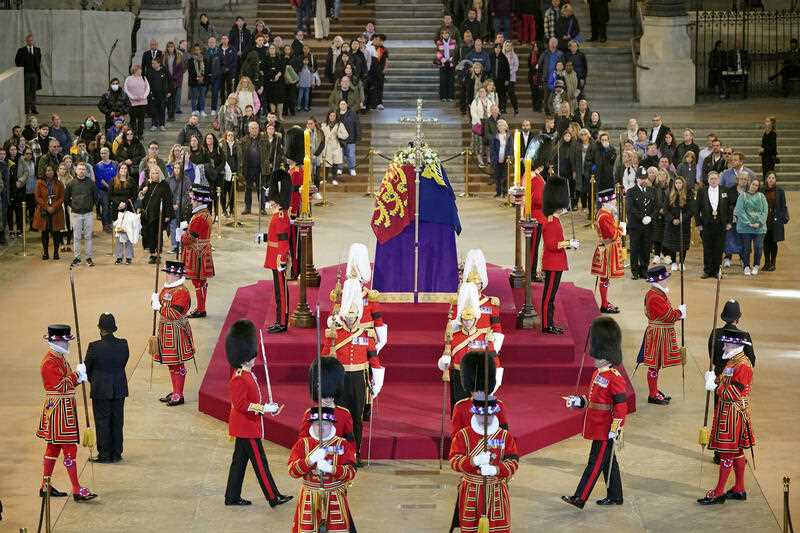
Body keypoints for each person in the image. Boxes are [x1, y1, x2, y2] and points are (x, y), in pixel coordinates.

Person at [223, 319, 292, 508]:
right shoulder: (239, 378)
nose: (255, 359)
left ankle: (232, 496)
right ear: (245, 357)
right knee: (261, 464)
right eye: (253, 357)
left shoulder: (247, 374)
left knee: (239, 463)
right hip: (246, 428)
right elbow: (241, 405)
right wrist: (264, 409)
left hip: (246, 426)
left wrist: (267, 406)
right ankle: (273, 496)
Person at [448, 350, 518, 532]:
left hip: (495, 480)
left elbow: (505, 442)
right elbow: (456, 445)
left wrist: (498, 469)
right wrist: (473, 461)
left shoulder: (497, 406)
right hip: (471, 480)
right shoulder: (461, 408)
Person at [562, 316, 627, 508]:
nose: (593, 358)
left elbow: (621, 407)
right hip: (596, 424)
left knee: (595, 465)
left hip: (605, 429)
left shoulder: (615, 378)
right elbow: (594, 401)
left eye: (597, 356)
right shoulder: (597, 374)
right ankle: (615, 496)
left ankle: (580, 497)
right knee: (608, 463)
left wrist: (616, 428)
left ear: (606, 355)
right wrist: (578, 401)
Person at [322, 278, 386, 465]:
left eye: (353, 316)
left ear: (358, 316)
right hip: (340, 380)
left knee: (356, 418)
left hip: (359, 380)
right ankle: (339, 452)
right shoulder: (334, 335)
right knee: (340, 416)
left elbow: (374, 360)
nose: (350, 319)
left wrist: (376, 381)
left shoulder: (367, 335)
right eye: (347, 316)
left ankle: (355, 453)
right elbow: (324, 359)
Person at [36, 324, 98, 501]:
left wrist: (79, 377)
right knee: (69, 447)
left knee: (53, 447)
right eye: (65, 341)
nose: (68, 344)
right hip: (59, 410)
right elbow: (61, 386)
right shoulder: (49, 362)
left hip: (62, 408)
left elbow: (68, 382)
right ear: (57, 342)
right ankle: (76, 488)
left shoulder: (60, 358)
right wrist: (76, 375)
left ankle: (45, 485)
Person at [698, 330, 755, 505]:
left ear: (736, 345)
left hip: (733, 413)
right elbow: (727, 379)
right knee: (736, 451)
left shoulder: (743, 365)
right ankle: (739, 488)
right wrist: (716, 379)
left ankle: (719, 492)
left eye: (727, 344)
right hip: (728, 411)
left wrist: (714, 387)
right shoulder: (734, 360)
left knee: (727, 453)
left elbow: (734, 392)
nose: (724, 346)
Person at [288, 405, 357, 531]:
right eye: (316, 423)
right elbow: (292, 471)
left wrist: (332, 469)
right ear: (311, 425)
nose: (320, 427)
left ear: (331, 424)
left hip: (335, 497)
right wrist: (309, 460)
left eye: (324, 423)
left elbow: (351, 473)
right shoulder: (302, 444)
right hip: (309, 498)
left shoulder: (342, 444)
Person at [438, 282, 502, 409]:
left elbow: (493, 357)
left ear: (476, 320)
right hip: (458, 374)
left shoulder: (485, 337)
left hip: (477, 376)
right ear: (461, 320)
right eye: (465, 320)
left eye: (470, 320)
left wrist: (496, 373)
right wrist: (445, 363)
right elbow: (447, 354)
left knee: (476, 409)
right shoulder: (454, 336)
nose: (467, 323)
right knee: (459, 407)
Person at [84, 313, 129, 463]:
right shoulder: (123, 344)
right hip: (119, 388)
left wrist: (94, 380)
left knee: (102, 422)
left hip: (100, 389)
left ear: (100, 328)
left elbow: (87, 369)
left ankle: (104, 454)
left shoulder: (94, 347)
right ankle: (116, 453)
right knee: (117, 421)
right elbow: (123, 362)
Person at [150, 260, 195, 406]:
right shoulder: (167, 288)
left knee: (177, 363)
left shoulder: (182, 292)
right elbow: (164, 305)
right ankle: (175, 390)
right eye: (167, 272)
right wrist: (156, 301)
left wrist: (159, 307)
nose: (167, 275)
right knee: (171, 363)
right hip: (166, 329)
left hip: (176, 331)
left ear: (177, 275)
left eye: (170, 273)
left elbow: (174, 313)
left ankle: (179, 394)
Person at [641, 265, 686, 405]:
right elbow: (669, 316)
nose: (666, 281)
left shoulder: (656, 293)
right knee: (654, 365)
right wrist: (679, 312)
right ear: (659, 280)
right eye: (665, 279)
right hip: (658, 335)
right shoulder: (655, 296)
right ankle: (652, 394)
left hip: (659, 333)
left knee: (656, 364)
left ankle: (654, 391)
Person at [541, 177, 579, 334]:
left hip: (556, 263)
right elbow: (552, 245)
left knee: (552, 296)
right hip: (552, 263)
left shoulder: (555, 220)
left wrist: (569, 244)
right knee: (548, 296)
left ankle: (549, 323)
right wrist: (569, 243)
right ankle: (546, 325)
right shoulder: (550, 222)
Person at [263, 170, 292, 333]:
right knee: (277, 291)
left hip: (277, 259)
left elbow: (283, 240)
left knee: (280, 291)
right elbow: (276, 236)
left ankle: (281, 322)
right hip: (274, 256)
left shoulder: (281, 215)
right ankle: (279, 320)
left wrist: (282, 259)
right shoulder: (278, 214)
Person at [179, 185, 215, 317]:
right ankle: (201, 307)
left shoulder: (199, 217)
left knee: (197, 281)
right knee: (201, 281)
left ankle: (201, 309)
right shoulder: (204, 214)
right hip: (202, 250)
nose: (191, 201)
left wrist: (181, 236)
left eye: (193, 199)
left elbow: (189, 238)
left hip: (197, 252)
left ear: (199, 200)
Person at [591, 191, 625, 313]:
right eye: (614, 201)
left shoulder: (603, 213)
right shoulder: (605, 216)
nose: (615, 203)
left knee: (605, 279)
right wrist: (620, 229)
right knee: (605, 278)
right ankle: (604, 304)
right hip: (607, 250)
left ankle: (605, 301)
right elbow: (612, 235)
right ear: (608, 202)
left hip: (605, 248)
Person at [696, 171, 732, 278]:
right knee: (707, 248)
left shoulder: (725, 191)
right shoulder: (701, 191)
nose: (713, 180)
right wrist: (698, 223)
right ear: (708, 180)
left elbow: (730, 208)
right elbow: (696, 208)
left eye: (715, 178)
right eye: (711, 179)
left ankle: (717, 270)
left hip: (721, 224)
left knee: (718, 248)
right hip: (706, 224)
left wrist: (729, 222)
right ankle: (707, 270)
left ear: (719, 180)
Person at [138, 165, 175, 263]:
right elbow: (140, 197)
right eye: (153, 173)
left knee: (158, 235)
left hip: (159, 214)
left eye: (157, 173)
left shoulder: (164, 184)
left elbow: (168, 200)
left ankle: (158, 254)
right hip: (148, 214)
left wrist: (168, 215)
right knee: (149, 234)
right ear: (150, 174)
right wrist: (143, 192)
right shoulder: (147, 183)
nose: (155, 175)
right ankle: (152, 254)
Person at [63, 162, 95, 267]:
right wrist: (74, 206)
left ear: (86, 171)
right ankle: (77, 258)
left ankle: (88, 258)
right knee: (76, 237)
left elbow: (96, 197)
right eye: (79, 169)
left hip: (88, 213)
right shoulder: (71, 183)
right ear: (76, 171)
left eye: (83, 169)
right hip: (76, 214)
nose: (81, 171)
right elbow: (66, 198)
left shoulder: (90, 183)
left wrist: (90, 206)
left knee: (88, 237)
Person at [625, 168, 655, 280]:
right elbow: (630, 208)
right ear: (637, 179)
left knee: (646, 248)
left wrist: (650, 217)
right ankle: (635, 270)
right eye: (641, 178)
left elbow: (656, 206)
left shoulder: (652, 191)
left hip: (648, 225)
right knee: (635, 248)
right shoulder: (631, 192)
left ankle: (644, 269)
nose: (643, 180)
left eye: (645, 178)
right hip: (636, 225)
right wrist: (642, 217)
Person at [735, 177, 768, 276]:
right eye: (753, 184)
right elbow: (739, 211)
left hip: (759, 228)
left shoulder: (761, 196)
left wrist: (759, 222)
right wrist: (748, 223)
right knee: (746, 248)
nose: (754, 186)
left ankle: (756, 265)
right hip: (745, 227)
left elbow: (765, 211)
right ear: (749, 184)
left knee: (758, 247)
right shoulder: (742, 196)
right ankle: (746, 266)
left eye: (757, 185)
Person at [33, 165, 65, 260]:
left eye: (50, 170)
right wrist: (47, 207)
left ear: (54, 171)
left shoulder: (59, 183)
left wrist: (54, 207)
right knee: (45, 232)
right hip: (43, 210)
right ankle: (45, 253)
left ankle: (56, 253)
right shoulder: (39, 182)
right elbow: (37, 197)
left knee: (56, 232)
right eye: (47, 170)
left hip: (56, 211)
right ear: (44, 172)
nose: (49, 172)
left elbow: (62, 197)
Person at [662, 176, 693, 272]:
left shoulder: (689, 195)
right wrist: (672, 219)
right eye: (676, 183)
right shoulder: (670, 195)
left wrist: (681, 218)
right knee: (672, 245)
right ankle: (674, 262)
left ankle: (682, 262)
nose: (678, 185)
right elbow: (665, 209)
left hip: (683, 224)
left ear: (683, 184)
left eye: (680, 183)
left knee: (683, 244)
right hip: (672, 225)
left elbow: (691, 210)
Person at [237, 121, 268, 215]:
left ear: (258, 129)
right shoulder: (243, 140)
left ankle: (262, 208)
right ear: (249, 129)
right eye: (252, 128)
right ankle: (247, 208)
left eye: (256, 128)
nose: (254, 130)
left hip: (260, 168)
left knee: (261, 189)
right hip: (248, 168)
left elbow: (269, 151)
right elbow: (240, 154)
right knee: (248, 188)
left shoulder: (264, 139)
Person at [763, 172, 788, 271]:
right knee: (765, 242)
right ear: (766, 179)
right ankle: (766, 263)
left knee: (773, 242)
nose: (771, 179)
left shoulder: (780, 191)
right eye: (769, 177)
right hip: (764, 220)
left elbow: (783, 206)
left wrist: (781, 217)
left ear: (775, 179)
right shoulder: (762, 190)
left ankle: (773, 263)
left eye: (773, 178)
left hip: (775, 221)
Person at [15, 34, 42, 114]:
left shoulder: (37, 50)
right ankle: (26, 109)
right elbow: (17, 62)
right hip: (26, 74)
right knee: (26, 92)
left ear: (33, 41)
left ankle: (33, 108)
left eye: (31, 40)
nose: (30, 42)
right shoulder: (21, 50)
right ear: (26, 41)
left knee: (33, 92)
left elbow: (38, 61)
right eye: (29, 40)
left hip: (34, 74)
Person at [123, 65, 150, 139]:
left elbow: (147, 88)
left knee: (141, 120)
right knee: (133, 120)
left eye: (141, 69)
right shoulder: (128, 79)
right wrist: (132, 97)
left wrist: (144, 96)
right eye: (139, 70)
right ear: (134, 70)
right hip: (132, 103)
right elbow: (126, 89)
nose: (140, 71)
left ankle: (140, 134)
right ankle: (133, 134)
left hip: (143, 102)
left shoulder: (144, 78)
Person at [321, 111, 347, 184]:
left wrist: (339, 135)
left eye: (334, 116)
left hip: (335, 146)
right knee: (326, 164)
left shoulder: (340, 125)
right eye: (331, 115)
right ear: (328, 116)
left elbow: (346, 135)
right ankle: (325, 179)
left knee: (335, 164)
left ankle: (334, 179)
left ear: (336, 116)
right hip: (326, 146)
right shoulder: (324, 124)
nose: (332, 117)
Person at [490, 119, 513, 198]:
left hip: (506, 159)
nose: (499, 127)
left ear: (505, 126)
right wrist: (493, 158)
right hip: (497, 159)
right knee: (497, 177)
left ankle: (505, 192)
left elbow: (510, 147)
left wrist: (509, 156)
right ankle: (498, 192)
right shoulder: (495, 136)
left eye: (501, 125)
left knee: (505, 177)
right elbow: (492, 149)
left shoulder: (509, 136)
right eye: (498, 125)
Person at [147, 57, 170, 132]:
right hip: (153, 95)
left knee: (162, 110)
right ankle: (154, 124)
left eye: (154, 63)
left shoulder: (164, 71)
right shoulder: (150, 72)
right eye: (152, 63)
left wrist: (168, 92)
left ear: (159, 64)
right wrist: (150, 94)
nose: (152, 64)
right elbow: (148, 84)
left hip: (162, 95)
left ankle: (162, 124)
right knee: (154, 110)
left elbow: (168, 82)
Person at [338, 100, 359, 178]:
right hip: (340, 139)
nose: (343, 105)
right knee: (340, 154)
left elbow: (357, 125)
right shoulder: (336, 114)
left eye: (344, 104)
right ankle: (339, 168)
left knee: (351, 154)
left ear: (347, 105)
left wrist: (357, 136)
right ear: (339, 105)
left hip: (351, 138)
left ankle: (352, 169)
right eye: (341, 104)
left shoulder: (352, 113)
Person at [164, 41, 185, 121]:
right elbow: (164, 68)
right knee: (169, 99)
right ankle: (169, 115)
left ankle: (172, 116)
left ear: (174, 48)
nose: (170, 48)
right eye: (169, 47)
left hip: (175, 81)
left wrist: (175, 78)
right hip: (167, 81)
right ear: (167, 48)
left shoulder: (178, 56)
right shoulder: (165, 56)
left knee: (174, 99)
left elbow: (181, 70)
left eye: (172, 47)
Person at [436, 30, 458, 102]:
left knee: (450, 80)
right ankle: (443, 97)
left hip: (451, 63)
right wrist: (443, 60)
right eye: (443, 33)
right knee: (443, 80)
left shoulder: (453, 41)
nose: (445, 34)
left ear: (449, 34)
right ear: (441, 35)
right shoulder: (439, 42)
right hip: (443, 63)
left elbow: (455, 52)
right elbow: (438, 53)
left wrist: (450, 59)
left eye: (446, 33)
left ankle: (450, 96)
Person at [187, 44, 206, 117]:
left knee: (202, 97)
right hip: (193, 81)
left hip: (203, 81)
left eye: (198, 49)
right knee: (194, 97)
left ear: (200, 50)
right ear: (193, 51)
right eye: (195, 49)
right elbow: (190, 71)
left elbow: (206, 70)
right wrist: (197, 78)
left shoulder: (204, 59)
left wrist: (202, 77)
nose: (197, 51)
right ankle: (194, 110)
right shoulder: (190, 60)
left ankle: (202, 110)